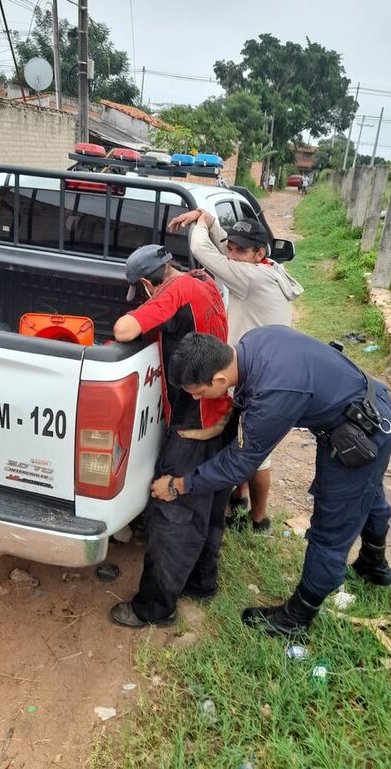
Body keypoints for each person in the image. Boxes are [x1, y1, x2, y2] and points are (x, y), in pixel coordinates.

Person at [150, 327, 391, 637]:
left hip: (361, 431)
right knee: (368, 493)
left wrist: (178, 485)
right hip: (366, 405)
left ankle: (297, 617)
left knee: (332, 523)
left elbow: (240, 464)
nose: (197, 398)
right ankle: (374, 564)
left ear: (218, 381)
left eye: (198, 392)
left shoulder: (272, 395)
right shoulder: (254, 342)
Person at [109, 244, 233, 629]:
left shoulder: (174, 293)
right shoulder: (203, 281)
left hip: (194, 420)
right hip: (221, 411)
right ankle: (200, 582)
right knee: (208, 506)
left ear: (148, 282)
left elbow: (123, 329)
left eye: (142, 290)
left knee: (173, 515)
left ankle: (155, 607)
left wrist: (144, 311)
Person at [167, 210, 303, 533]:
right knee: (241, 440)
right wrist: (209, 218)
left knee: (258, 454)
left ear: (260, 254)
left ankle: (260, 521)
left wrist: (201, 224)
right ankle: (239, 500)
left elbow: (203, 253)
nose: (232, 254)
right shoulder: (268, 270)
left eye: (241, 250)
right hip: (256, 367)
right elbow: (222, 249)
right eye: (232, 246)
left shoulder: (252, 279)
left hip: (262, 378)